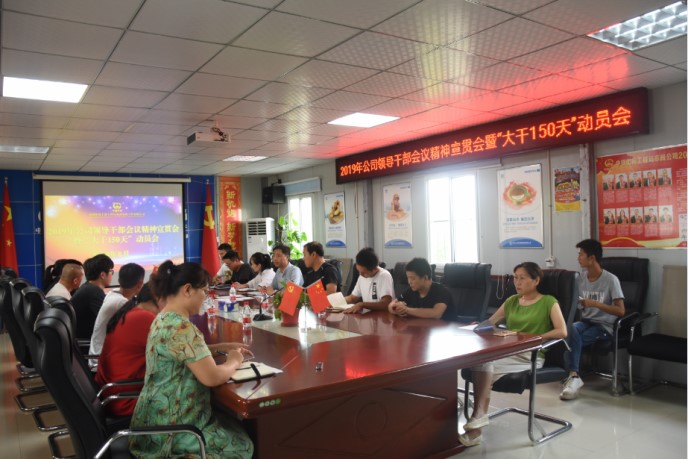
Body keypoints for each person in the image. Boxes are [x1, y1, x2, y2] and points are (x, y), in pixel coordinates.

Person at [129, 260, 254, 458]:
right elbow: (212, 377)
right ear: (187, 289)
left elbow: (182, 352)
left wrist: (220, 348)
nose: (206, 296)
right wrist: (235, 360)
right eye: (204, 290)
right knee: (244, 442)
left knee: (230, 422)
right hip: (175, 430)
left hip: (152, 422)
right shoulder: (183, 328)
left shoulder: (163, 318)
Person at [460, 262, 567, 447]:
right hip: (508, 352)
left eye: (522, 278)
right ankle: (478, 420)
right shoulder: (512, 301)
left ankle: (477, 422)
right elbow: (491, 321)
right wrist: (478, 327)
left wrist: (534, 338)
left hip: (531, 355)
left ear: (536, 281)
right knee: (482, 362)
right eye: (515, 278)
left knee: (484, 366)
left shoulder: (549, 302)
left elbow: (562, 331)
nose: (517, 282)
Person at [560, 239, 624, 401]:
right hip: (585, 322)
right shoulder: (580, 278)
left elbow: (620, 311)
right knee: (569, 329)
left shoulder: (611, 280)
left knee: (572, 340)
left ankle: (572, 377)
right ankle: (574, 376)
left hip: (604, 326)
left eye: (581, 254)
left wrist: (595, 304)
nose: (578, 258)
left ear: (592, 258)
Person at [95, 283, 164, 417]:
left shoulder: (132, 311)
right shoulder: (145, 318)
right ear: (159, 298)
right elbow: (186, 354)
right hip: (126, 400)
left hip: (113, 393)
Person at [89, 263, 145, 362]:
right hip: (102, 362)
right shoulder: (121, 303)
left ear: (119, 280)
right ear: (140, 284)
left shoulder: (112, 294)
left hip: (100, 356)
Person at [388, 258, 455, 321]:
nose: (409, 282)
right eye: (408, 278)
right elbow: (391, 305)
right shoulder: (411, 290)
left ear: (425, 278)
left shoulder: (442, 291)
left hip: (446, 328)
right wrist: (398, 310)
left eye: (413, 278)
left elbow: (436, 314)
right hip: (421, 326)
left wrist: (406, 310)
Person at [71, 254, 114, 340]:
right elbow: (109, 321)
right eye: (111, 271)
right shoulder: (93, 292)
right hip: (87, 342)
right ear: (102, 275)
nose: (112, 274)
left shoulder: (88, 287)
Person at [343, 248, 394, 314]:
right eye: (359, 271)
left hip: (382, 316)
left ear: (374, 269)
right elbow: (352, 298)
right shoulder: (361, 276)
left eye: (364, 272)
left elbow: (385, 304)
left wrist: (362, 304)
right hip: (367, 315)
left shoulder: (384, 276)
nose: (360, 275)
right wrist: (334, 302)